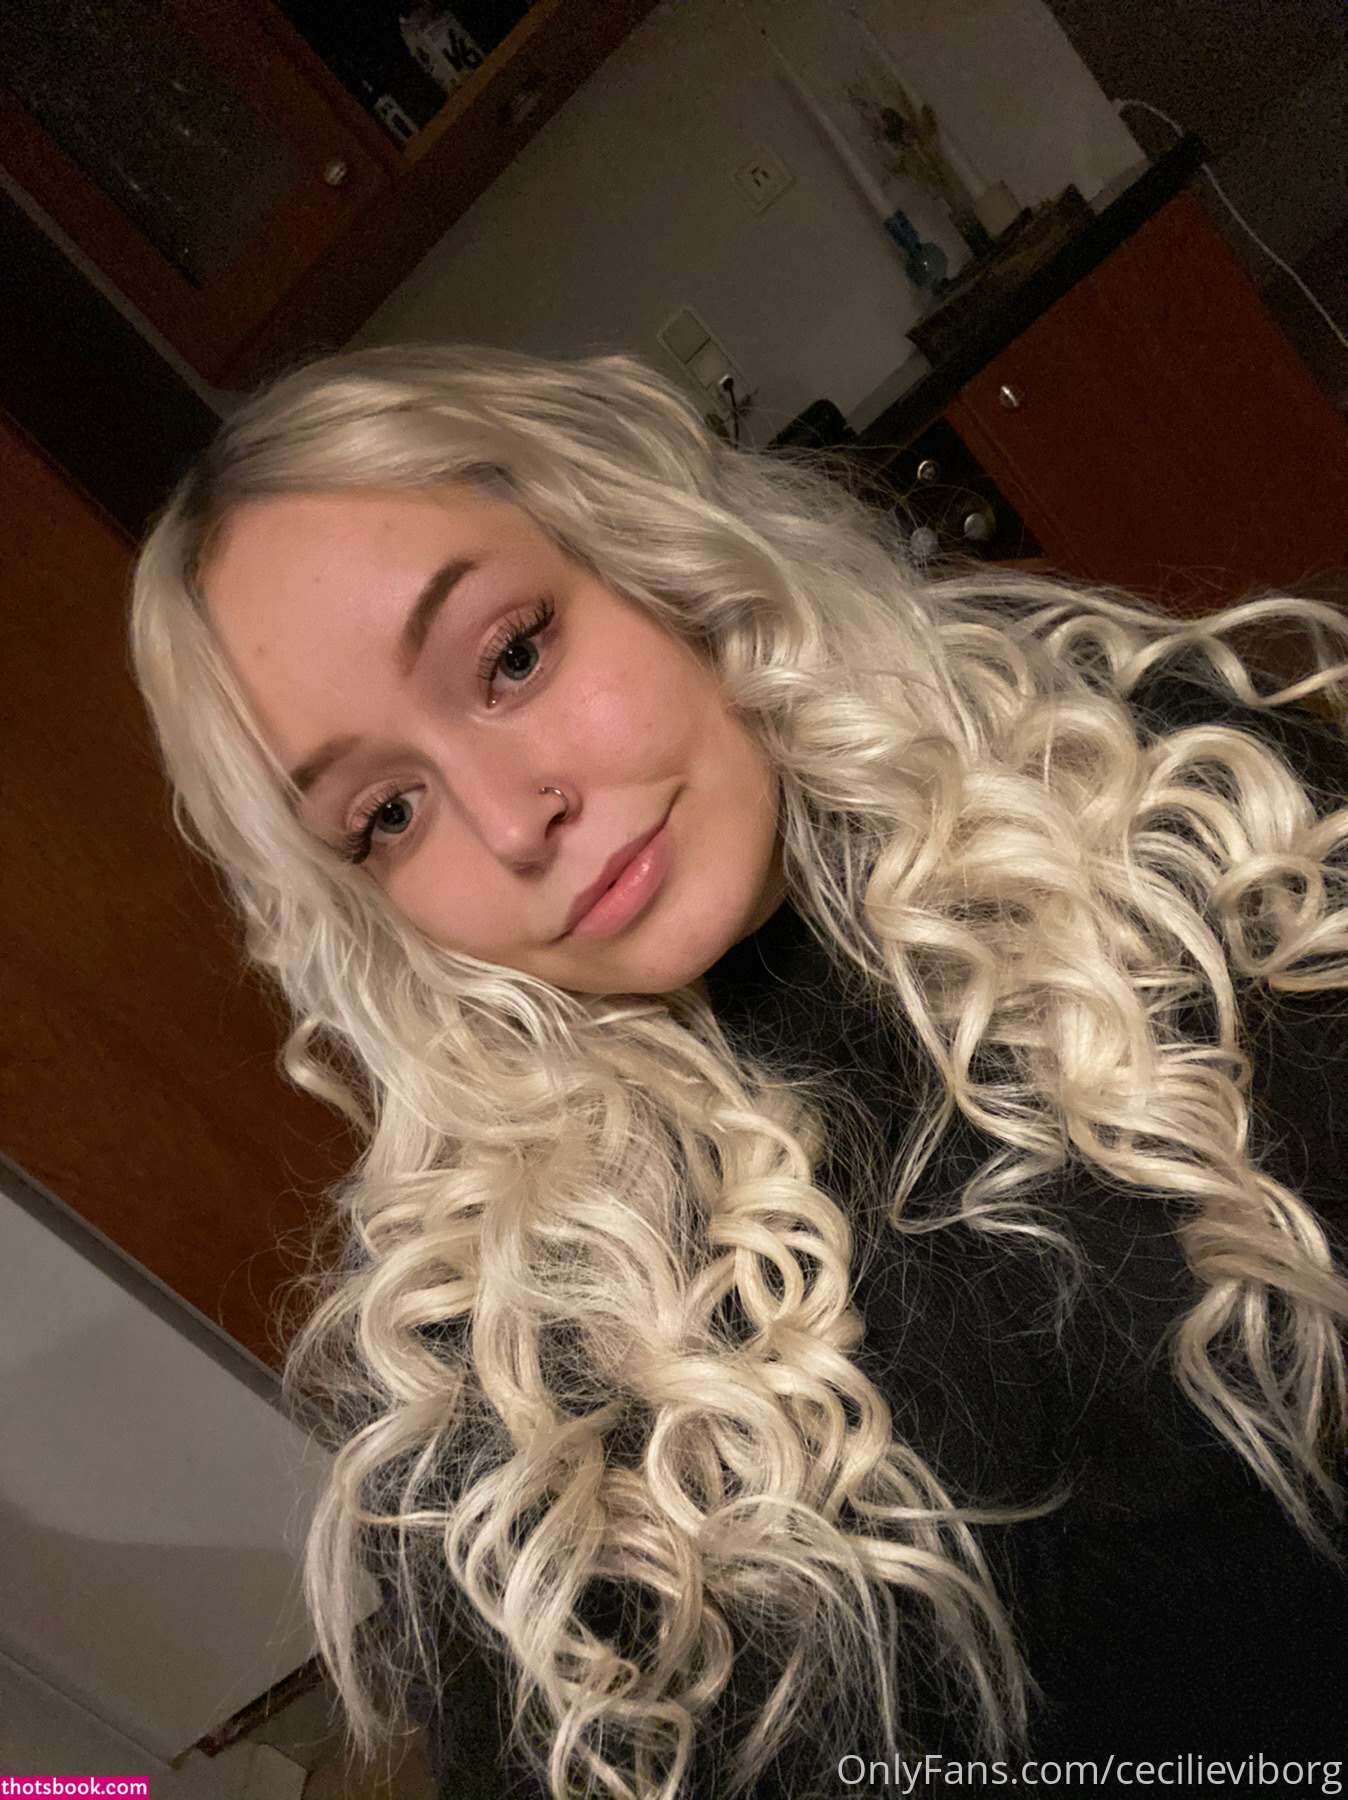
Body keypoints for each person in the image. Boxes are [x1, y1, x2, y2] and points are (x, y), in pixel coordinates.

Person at [127, 343, 1348, 1800]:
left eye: (512, 657)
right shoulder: (509, 1395)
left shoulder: (1178, 819)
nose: (513, 822)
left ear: (650, 553)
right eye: (387, 812)